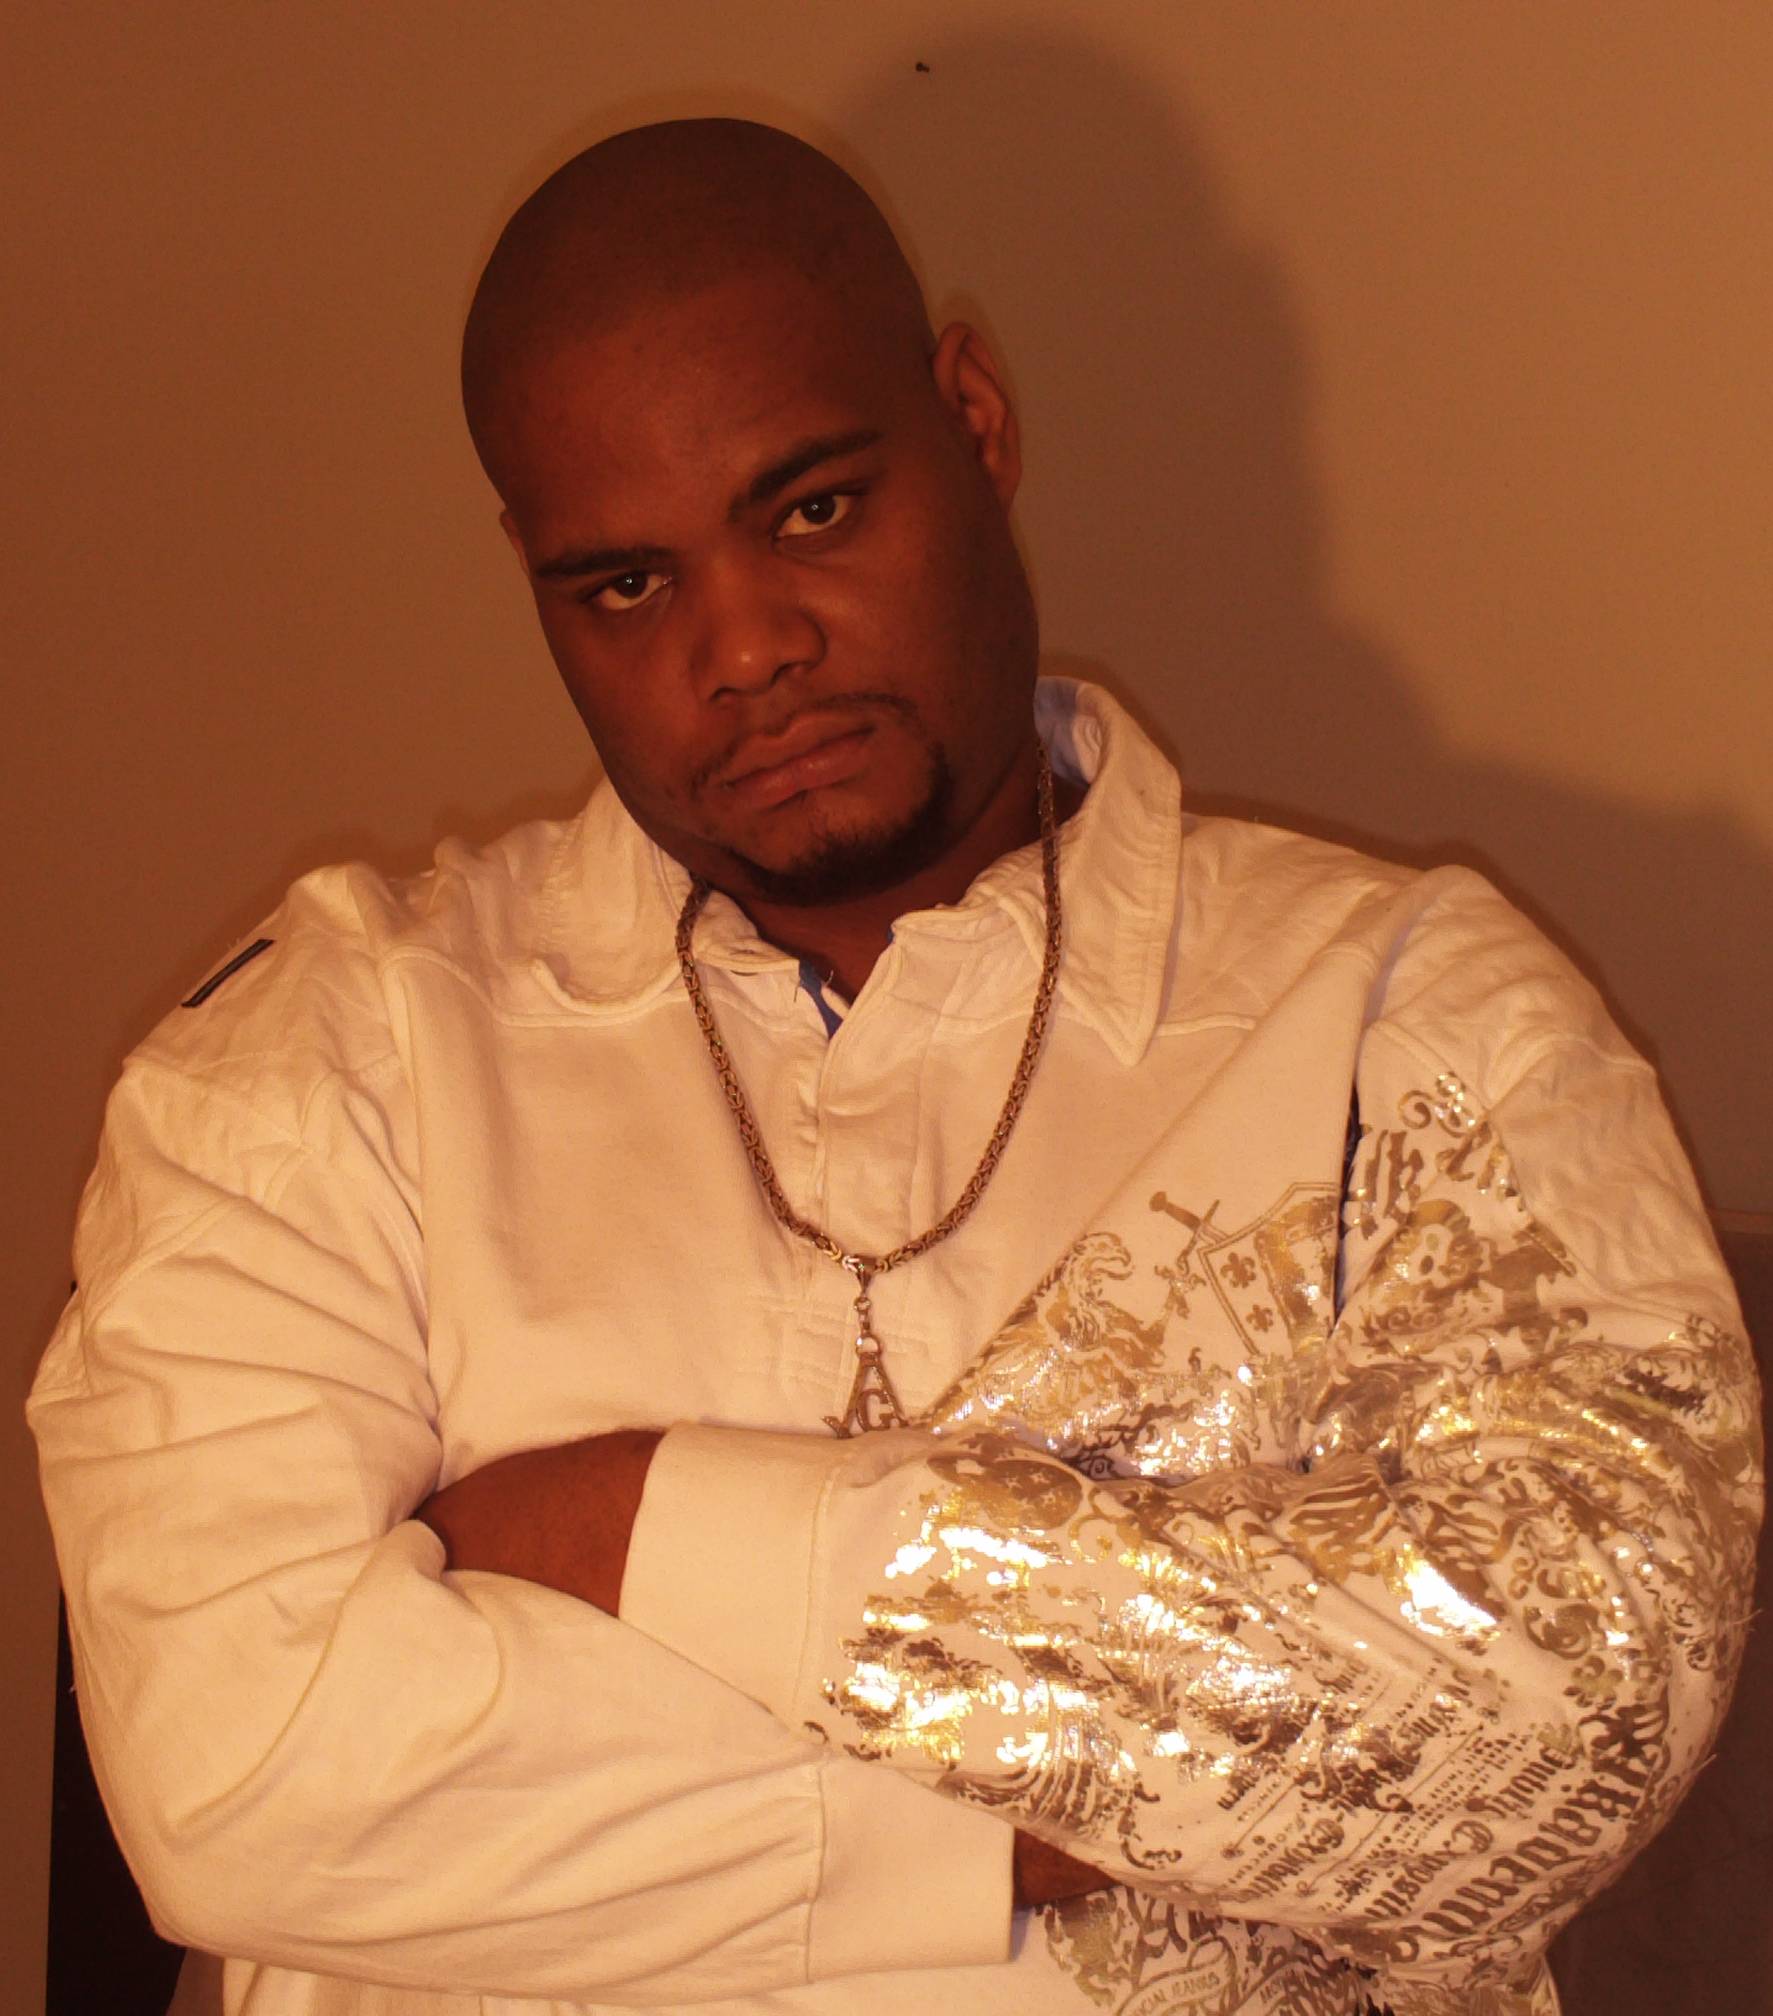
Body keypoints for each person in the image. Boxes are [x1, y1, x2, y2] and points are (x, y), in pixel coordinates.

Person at [30, 118, 1759, 2016]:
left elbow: (1576, 1714)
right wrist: (1151, 1792)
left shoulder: (1406, 1014)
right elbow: (241, 1788)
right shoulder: (323, 1056)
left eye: (811, 512)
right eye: (625, 587)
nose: (744, 647)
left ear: (975, 420)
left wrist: (630, 1529)